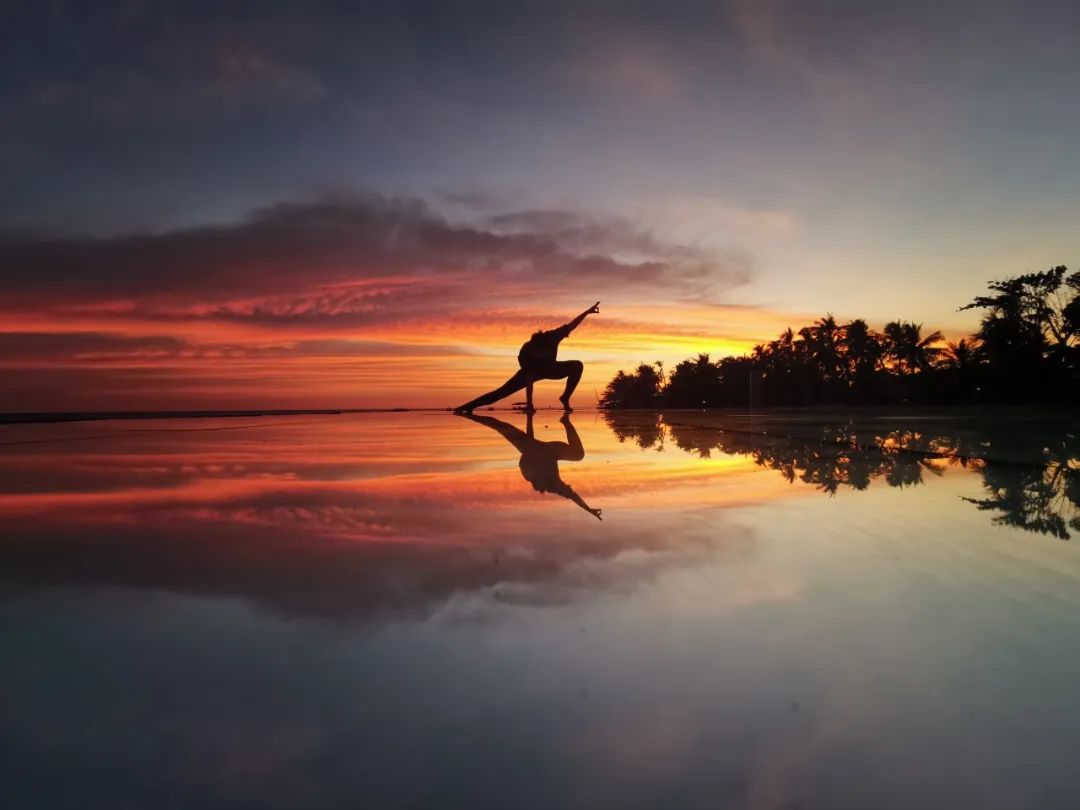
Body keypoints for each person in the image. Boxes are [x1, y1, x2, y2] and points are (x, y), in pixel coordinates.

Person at [454, 302, 599, 413]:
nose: (540, 355)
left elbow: (572, 324)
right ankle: (466, 407)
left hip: (551, 368)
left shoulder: (552, 336)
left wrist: (587, 312)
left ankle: (565, 397)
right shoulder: (526, 352)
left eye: (542, 353)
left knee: (577, 366)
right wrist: (529, 404)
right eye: (538, 354)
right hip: (530, 373)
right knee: (499, 394)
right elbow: (529, 379)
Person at [458, 411, 602, 520]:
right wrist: (589, 510)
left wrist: (528, 431)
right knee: (578, 455)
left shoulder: (530, 475)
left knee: (501, 427)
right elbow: (573, 496)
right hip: (547, 451)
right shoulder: (554, 485)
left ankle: (468, 415)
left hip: (533, 448)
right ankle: (566, 422)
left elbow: (523, 457)